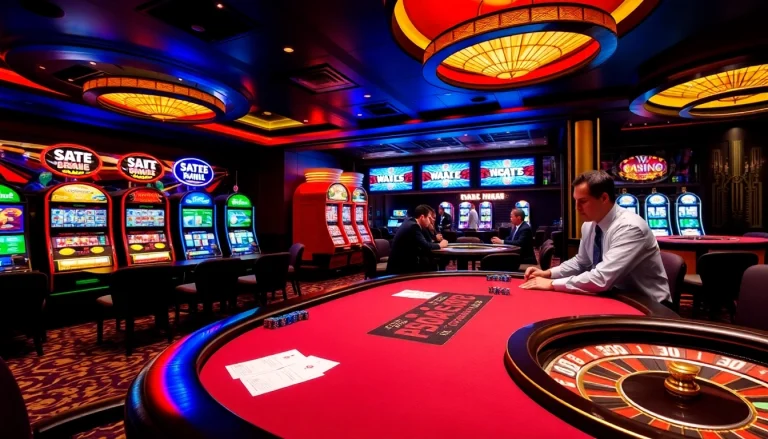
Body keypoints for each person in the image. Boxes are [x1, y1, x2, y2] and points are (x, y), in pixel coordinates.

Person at [521, 170, 671, 304]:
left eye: (583, 201)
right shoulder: (589, 225)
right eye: (576, 201)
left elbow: (602, 278)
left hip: (649, 305)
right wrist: (548, 273)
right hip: (614, 296)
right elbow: (582, 262)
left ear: (604, 198)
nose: (577, 208)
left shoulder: (630, 227)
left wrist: (552, 284)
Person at [386, 204, 448, 275]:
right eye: (429, 218)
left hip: (401, 263)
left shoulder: (410, 222)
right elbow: (426, 245)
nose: (430, 221)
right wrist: (440, 245)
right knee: (427, 262)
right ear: (422, 217)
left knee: (427, 260)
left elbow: (424, 243)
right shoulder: (414, 226)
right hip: (400, 267)